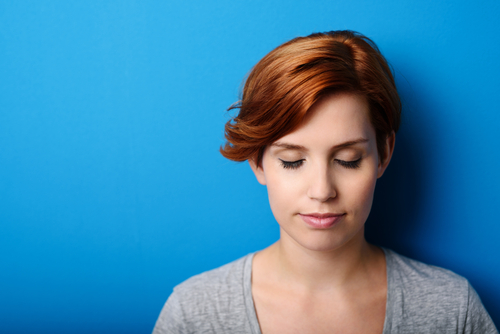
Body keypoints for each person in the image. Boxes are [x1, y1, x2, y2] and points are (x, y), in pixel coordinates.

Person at [152, 30, 498, 334]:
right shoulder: (195, 313)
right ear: (257, 161)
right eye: (292, 161)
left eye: (348, 160)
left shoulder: (452, 309)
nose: (322, 191)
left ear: (384, 153)